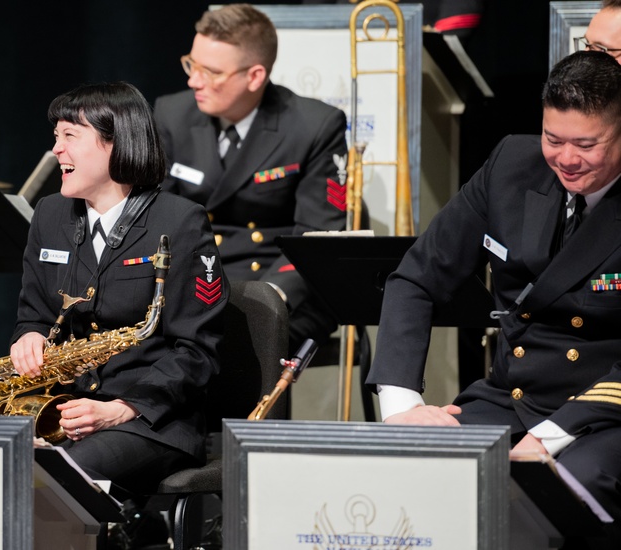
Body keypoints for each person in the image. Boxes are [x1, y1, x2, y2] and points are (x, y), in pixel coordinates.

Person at [367, 51, 621, 545]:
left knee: (566, 490)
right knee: (406, 468)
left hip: (603, 414)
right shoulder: (511, 164)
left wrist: (548, 439)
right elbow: (417, 277)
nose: (566, 159)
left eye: (587, 144)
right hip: (512, 398)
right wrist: (402, 407)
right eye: (554, 139)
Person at [9, 81, 226, 498]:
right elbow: (33, 313)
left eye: (70, 136)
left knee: (51, 480)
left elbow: (197, 351)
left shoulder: (180, 222)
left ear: (115, 145)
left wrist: (118, 410)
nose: (56, 150)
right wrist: (29, 337)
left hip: (153, 421)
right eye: (56, 137)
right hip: (65, 410)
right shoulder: (50, 214)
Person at [153, 3, 347, 349]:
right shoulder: (172, 113)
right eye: (191, 64)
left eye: (210, 72)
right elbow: (156, 217)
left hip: (277, 286)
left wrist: (267, 298)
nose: (193, 80)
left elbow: (316, 237)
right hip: (194, 282)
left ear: (255, 76)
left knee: (236, 345)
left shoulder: (314, 126)